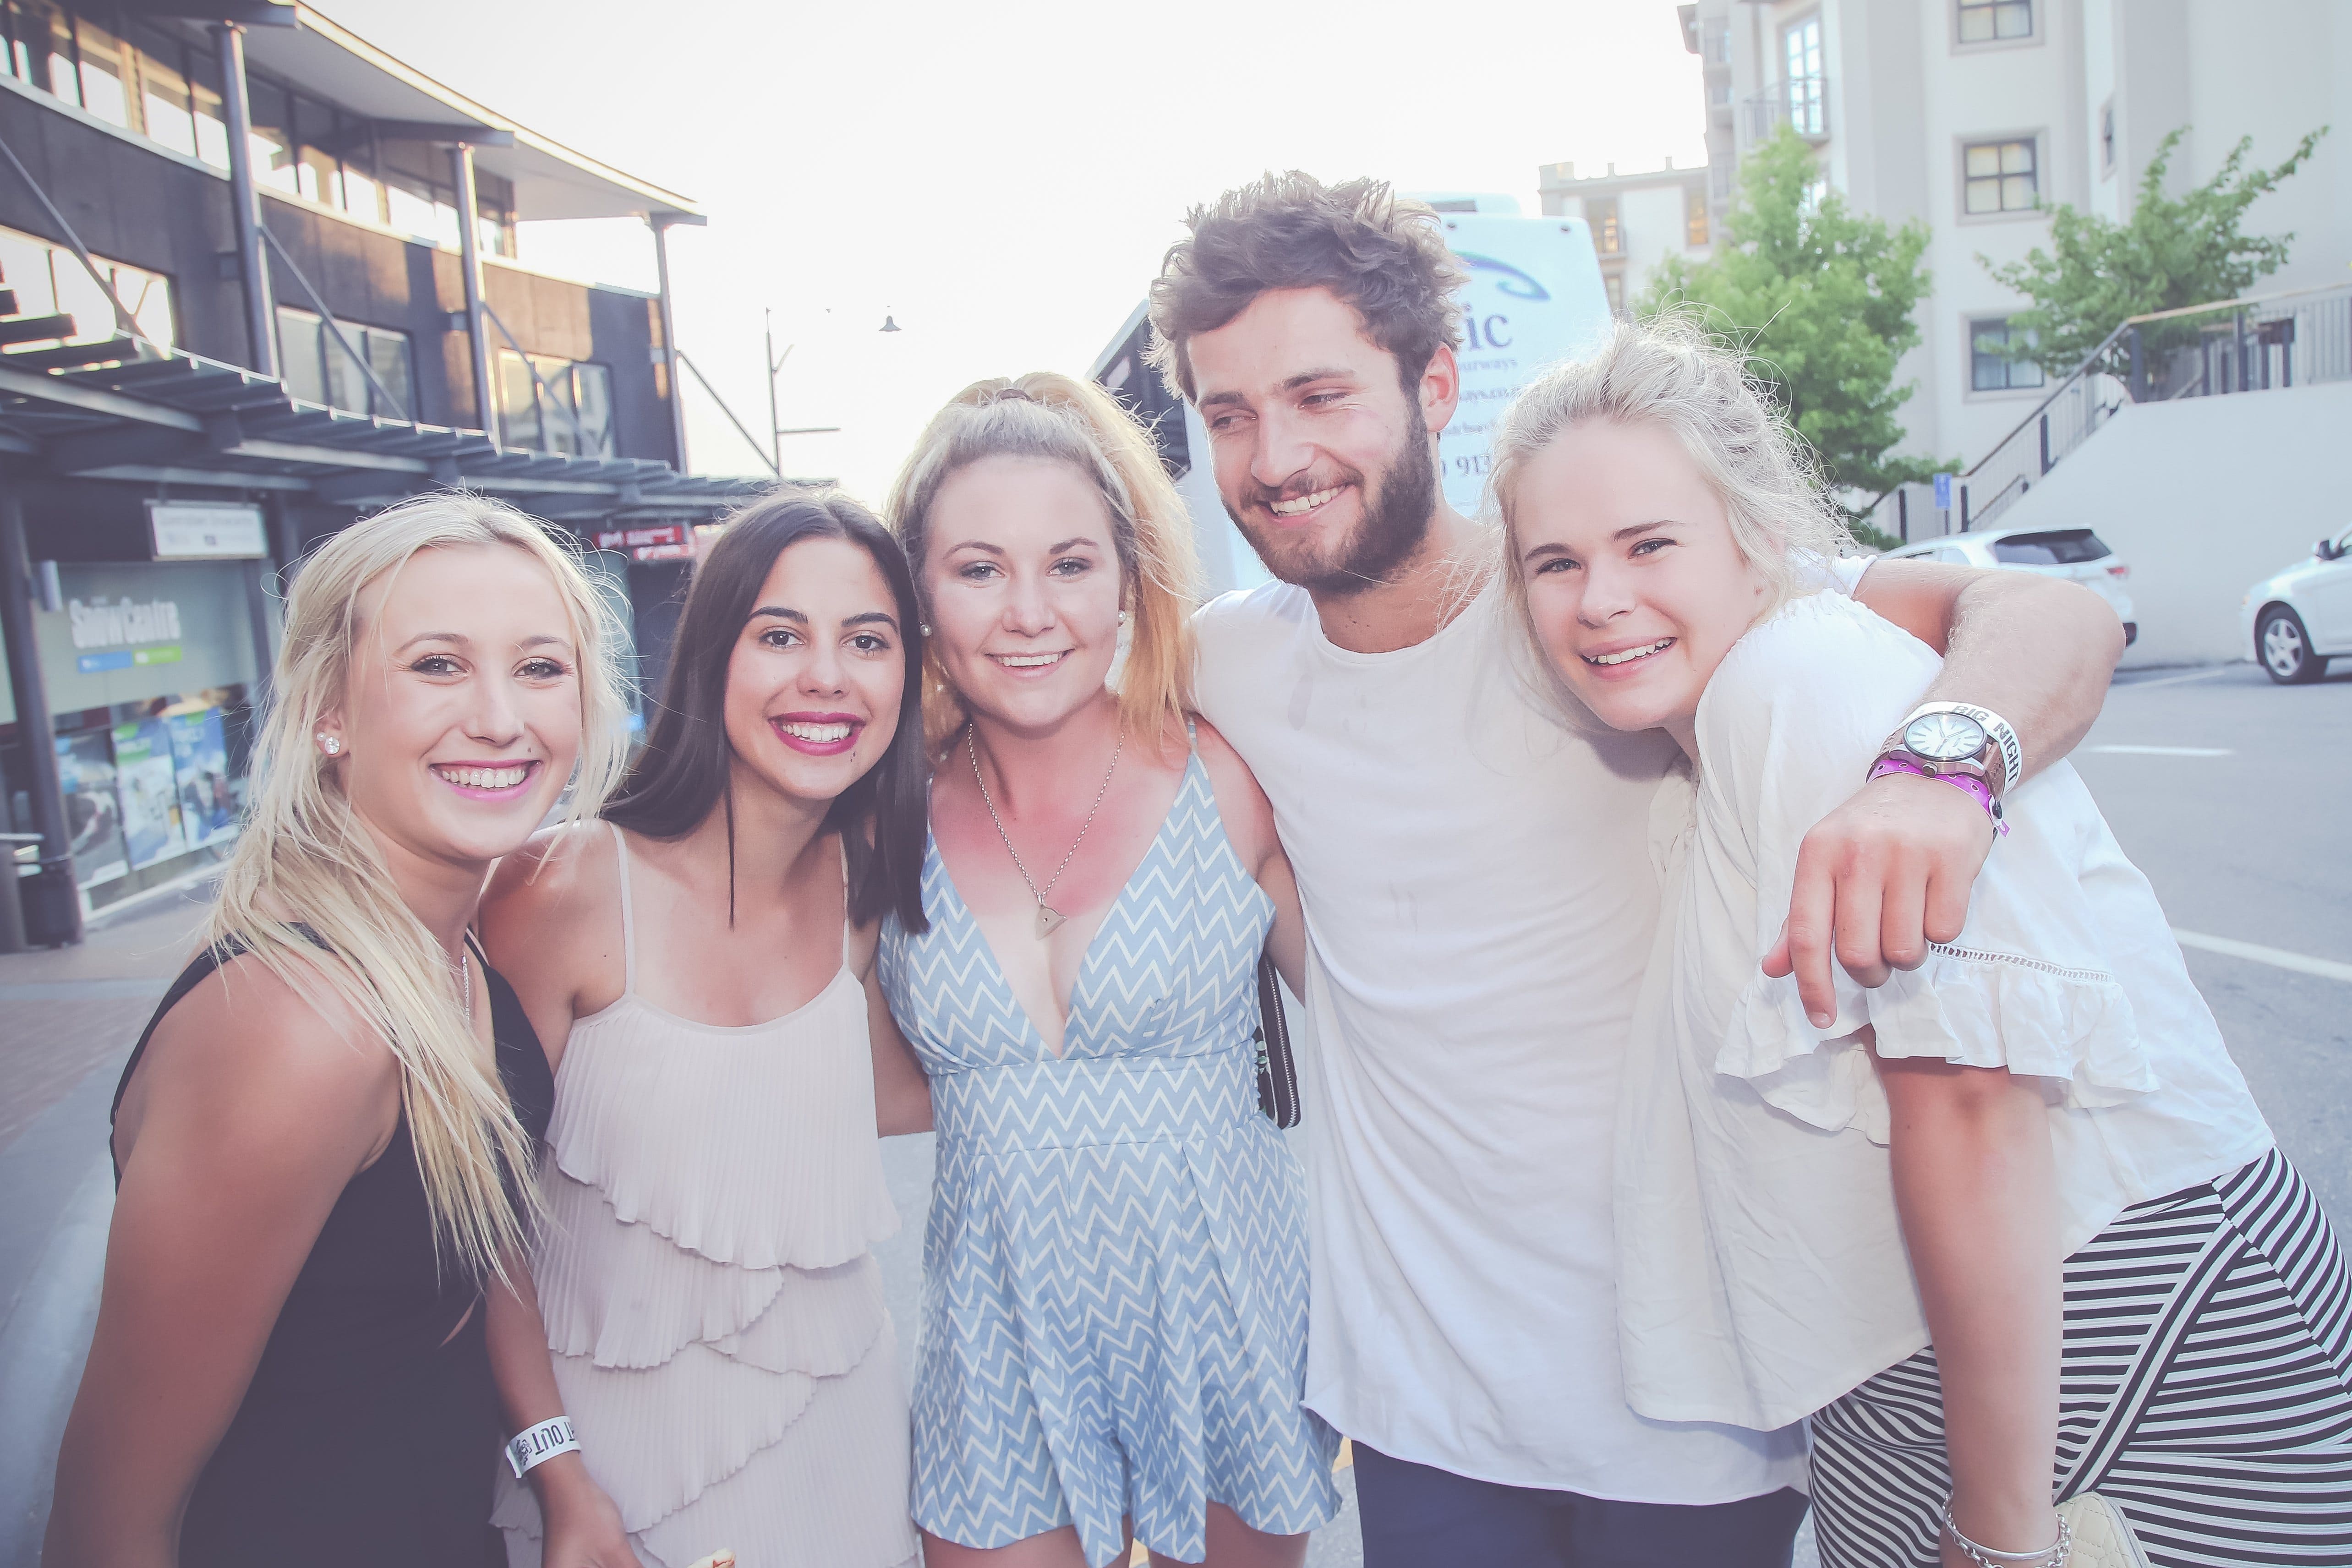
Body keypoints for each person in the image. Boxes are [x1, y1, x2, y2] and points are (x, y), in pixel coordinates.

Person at [1147, 173, 2134, 1567]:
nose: (1273, 455)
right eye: (1228, 412)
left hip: (1696, 1407)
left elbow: (2045, 615)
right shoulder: (1228, 661)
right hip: (1425, 1404)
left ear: (1432, 387)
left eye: (1318, 395)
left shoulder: (1595, 596)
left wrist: (1938, 777)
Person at [1492, 317, 2352, 1568]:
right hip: (1979, 1363)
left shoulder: (1794, 680)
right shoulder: (1750, 695)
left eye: (1647, 544)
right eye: (1552, 561)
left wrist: (2002, 1536)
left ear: (1754, 541)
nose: (1600, 598)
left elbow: (1966, 1099)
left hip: (2116, 1338)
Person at [45, 494, 638, 1568]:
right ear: (329, 709)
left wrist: (558, 1467)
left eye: (541, 668)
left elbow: (467, 1217)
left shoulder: (453, 948)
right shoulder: (302, 1023)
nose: (501, 717)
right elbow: (107, 1521)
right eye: (438, 666)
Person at [876, 373, 1338, 1568]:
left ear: (1128, 579)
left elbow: (1390, 1022)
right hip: (993, 1338)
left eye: (1069, 564)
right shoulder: (878, 823)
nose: (1028, 611)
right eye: (977, 570)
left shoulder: (1228, 775)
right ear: (917, 591)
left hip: (1223, 1321)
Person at [480, 489, 933, 1568]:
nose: (826, 675)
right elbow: (475, 1225)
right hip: (608, 1476)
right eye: (779, 634)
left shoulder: (863, 879)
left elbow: (902, 1092)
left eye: (866, 640)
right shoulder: (563, 887)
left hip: (844, 1454)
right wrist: (559, 1477)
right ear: (708, 655)